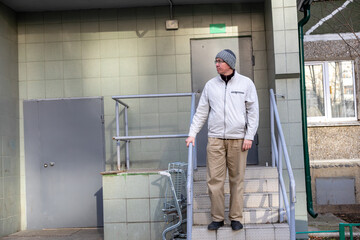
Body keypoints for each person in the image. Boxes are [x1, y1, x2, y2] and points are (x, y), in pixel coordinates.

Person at [185, 49, 259, 231]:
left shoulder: (246, 84)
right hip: (215, 139)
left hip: (239, 140)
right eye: (215, 61)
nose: (217, 64)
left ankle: (235, 218)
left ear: (230, 64)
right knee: (214, 181)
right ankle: (217, 218)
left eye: (220, 61)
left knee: (237, 180)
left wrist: (249, 136)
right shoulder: (211, 85)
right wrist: (192, 133)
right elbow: (201, 111)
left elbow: (253, 112)